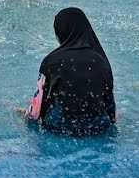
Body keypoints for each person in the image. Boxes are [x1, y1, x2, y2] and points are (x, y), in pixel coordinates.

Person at [25, 7, 116, 135]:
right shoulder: (100, 60)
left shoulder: (52, 61)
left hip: (59, 127)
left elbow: (36, 111)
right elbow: (110, 108)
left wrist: (26, 116)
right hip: (97, 128)